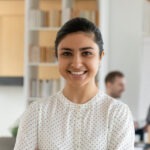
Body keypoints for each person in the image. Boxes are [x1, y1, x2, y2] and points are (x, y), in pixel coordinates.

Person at [14, 17, 135, 150]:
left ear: (100, 57)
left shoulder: (117, 113)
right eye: (66, 53)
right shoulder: (37, 113)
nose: (77, 64)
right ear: (57, 57)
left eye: (87, 53)